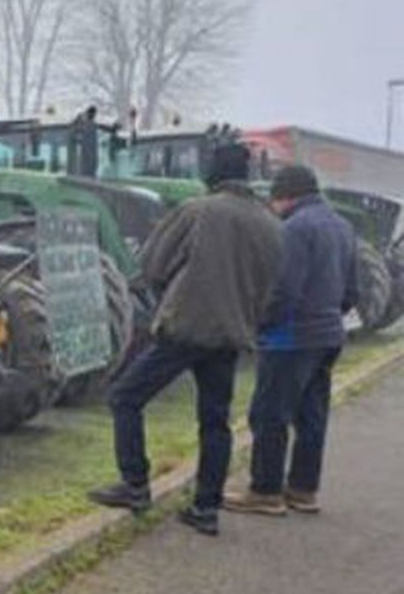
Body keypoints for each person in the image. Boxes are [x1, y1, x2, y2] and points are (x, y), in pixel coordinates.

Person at [88, 143, 283, 537]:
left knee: (125, 397)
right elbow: (273, 287)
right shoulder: (270, 223)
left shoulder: (198, 210)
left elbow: (152, 265)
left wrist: (169, 292)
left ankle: (135, 484)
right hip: (231, 334)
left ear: (213, 174)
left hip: (186, 328)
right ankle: (206, 508)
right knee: (215, 421)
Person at [224, 165, 357, 516]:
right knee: (311, 416)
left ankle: (266, 490)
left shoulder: (295, 228)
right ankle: (303, 489)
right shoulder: (342, 226)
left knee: (270, 413)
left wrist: (261, 324)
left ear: (286, 196)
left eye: (274, 198)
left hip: (291, 337)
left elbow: (285, 289)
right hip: (328, 334)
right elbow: (351, 290)